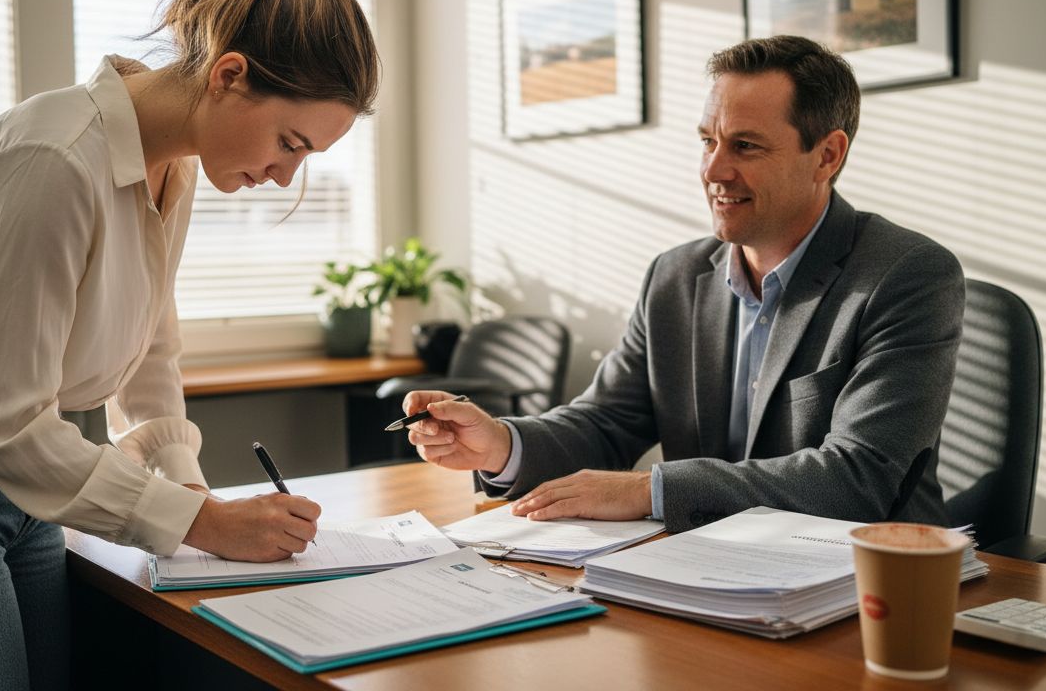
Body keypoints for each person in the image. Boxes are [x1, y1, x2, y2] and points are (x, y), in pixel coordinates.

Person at [0, 0, 378, 689]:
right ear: (229, 75)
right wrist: (202, 523)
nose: (284, 176)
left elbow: (147, 350)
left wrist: (187, 485)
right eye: (290, 142)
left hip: (33, 474)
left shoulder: (172, 166)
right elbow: (6, 423)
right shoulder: (53, 158)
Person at [402, 35, 963, 533]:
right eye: (707, 142)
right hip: (702, 570)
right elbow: (608, 420)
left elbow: (858, 478)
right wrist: (502, 443)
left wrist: (651, 490)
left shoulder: (905, 275)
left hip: (866, 586)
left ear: (827, 155)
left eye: (745, 146)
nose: (714, 171)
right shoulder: (675, 276)